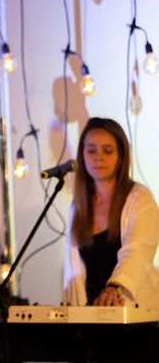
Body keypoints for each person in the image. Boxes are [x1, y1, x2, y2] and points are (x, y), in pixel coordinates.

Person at [63, 117, 159, 310]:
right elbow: (74, 272)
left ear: (121, 156)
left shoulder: (140, 200)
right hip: (92, 317)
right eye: (91, 151)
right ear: (82, 156)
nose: (98, 157)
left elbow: (137, 253)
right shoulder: (77, 207)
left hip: (137, 314)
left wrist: (114, 287)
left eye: (107, 151)